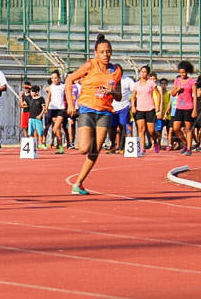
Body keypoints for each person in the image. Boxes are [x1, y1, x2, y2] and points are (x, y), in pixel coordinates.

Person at [65, 34, 122, 195]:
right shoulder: (90, 65)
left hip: (105, 111)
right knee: (84, 149)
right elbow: (69, 79)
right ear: (96, 53)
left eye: (108, 52)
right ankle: (87, 138)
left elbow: (119, 96)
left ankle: (78, 184)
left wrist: (112, 91)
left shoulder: (116, 71)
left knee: (95, 150)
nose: (106, 55)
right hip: (87, 109)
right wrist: (70, 103)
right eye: (102, 52)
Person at [170, 61, 197, 156]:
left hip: (189, 107)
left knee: (188, 128)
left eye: (184, 72)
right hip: (179, 106)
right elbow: (172, 94)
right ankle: (185, 143)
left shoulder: (192, 81)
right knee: (176, 128)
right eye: (181, 72)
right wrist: (177, 90)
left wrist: (194, 109)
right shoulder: (177, 81)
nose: (182, 74)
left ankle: (189, 148)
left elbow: (195, 95)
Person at [131, 65, 158, 153]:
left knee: (151, 131)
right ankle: (142, 148)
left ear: (148, 73)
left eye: (145, 72)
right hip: (140, 109)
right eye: (141, 72)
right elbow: (133, 96)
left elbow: (158, 94)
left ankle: (155, 141)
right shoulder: (136, 84)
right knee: (141, 129)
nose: (143, 74)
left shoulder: (151, 83)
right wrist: (133, 107)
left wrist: (158, 106)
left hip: (150, 108)